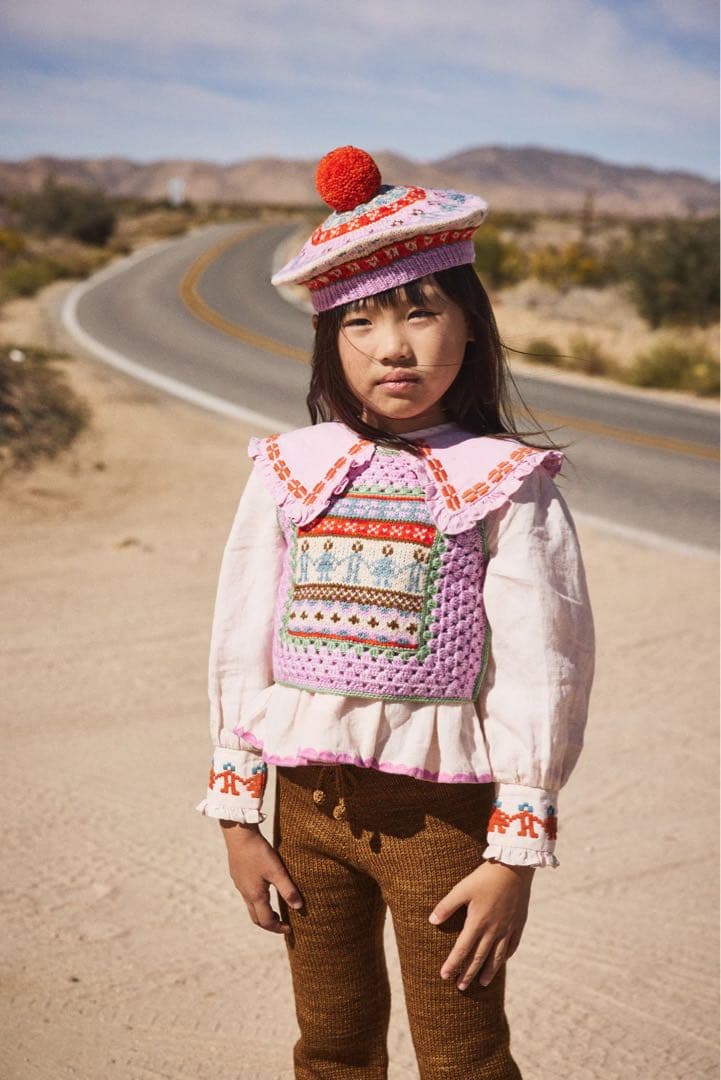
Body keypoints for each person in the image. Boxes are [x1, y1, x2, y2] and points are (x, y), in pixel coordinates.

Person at [196, 146, 595, 1079]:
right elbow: (239, 644)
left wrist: (512, 856)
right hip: (305, 817)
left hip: (442, 828)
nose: (394, 346)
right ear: (330, 340)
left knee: (463, 1053)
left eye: (421, 312)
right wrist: (237, 820)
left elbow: (545, 667)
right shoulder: (291, 470)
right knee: (331, 1045)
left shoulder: (506, 482)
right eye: (361, 322)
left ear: (470, 324)